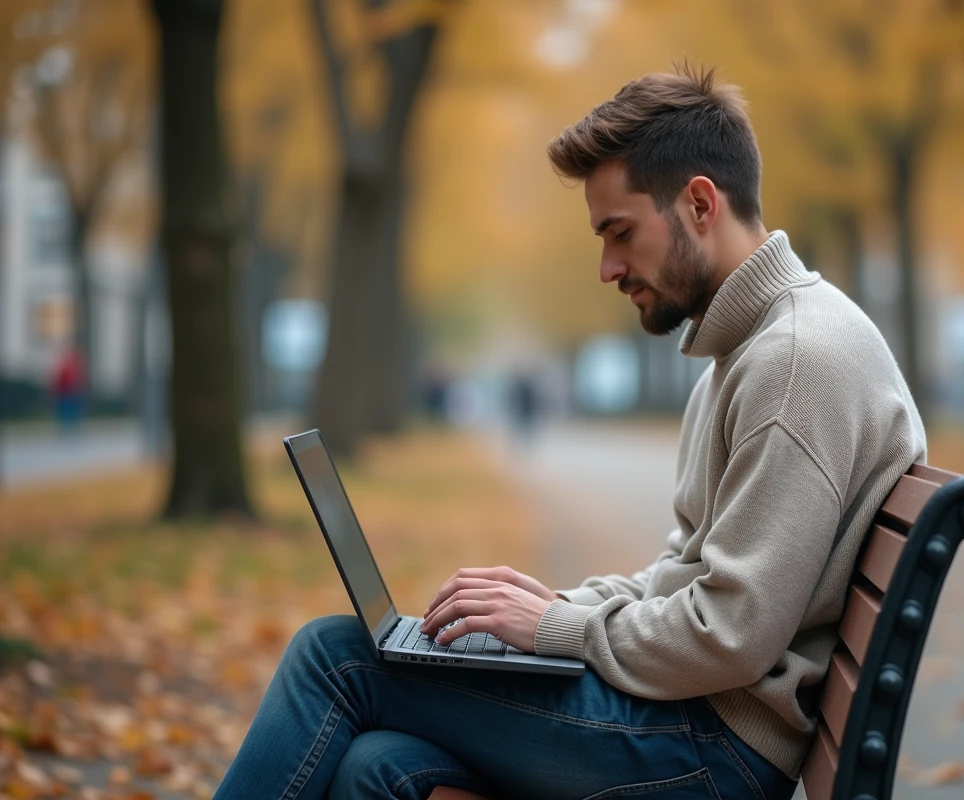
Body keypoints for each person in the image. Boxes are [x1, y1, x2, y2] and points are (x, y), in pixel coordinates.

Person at [214, 64, 926, 800]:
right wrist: (557, 606)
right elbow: (686, 574)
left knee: (333, 657)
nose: (607, 267)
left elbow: (728, 635)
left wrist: (556, 629)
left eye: (621, 233)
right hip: (696, 722)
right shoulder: (750, 349)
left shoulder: (792, 362)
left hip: (714, 754)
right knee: (381, 768)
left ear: (701, 204)